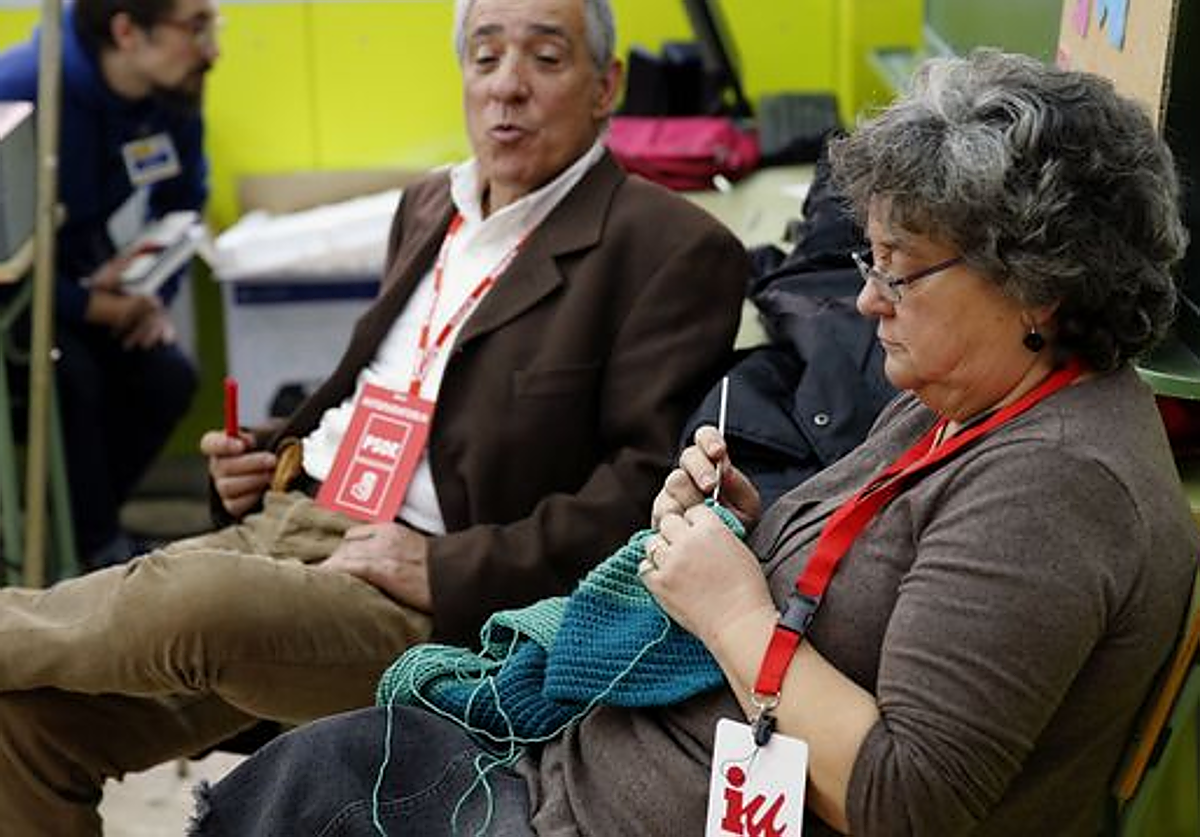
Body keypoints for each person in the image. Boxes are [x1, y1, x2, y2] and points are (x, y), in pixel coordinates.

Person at [189, 49, 1199, 837]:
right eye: (870, 258)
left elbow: (908, 800)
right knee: (312, 769)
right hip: (593, 784)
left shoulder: (1057, 489)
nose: (863, 299)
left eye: (900, 269)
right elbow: (862, 576)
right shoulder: (972, 395)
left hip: (595, 810)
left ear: (1035, 283)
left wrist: (731, 610)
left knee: (304, 789)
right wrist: (749, 531)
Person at [0, 0, 748, 832]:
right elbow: (393, 394)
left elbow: (643, 496)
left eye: (545, 58)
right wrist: (264, 458)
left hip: (423, 596)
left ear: (605, 85)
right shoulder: (430, 204)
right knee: (25, 726)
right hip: (296, 521)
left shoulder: (670, 248)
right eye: (485, 56)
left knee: (181, 595)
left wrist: (448, 567)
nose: (506, 88)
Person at [0, 0, 219, 569]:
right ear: (126, 31)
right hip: (24, 302)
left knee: (168, 376)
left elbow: (184, 202)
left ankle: (83, 534)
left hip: (102, 291)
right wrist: (92, 307)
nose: (213, 49)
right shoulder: (22, 91)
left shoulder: (170, 91)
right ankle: (90, 553)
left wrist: (151, 298)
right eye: (196, 27)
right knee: (73, 376)